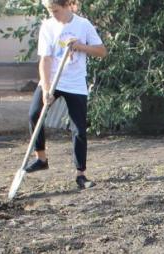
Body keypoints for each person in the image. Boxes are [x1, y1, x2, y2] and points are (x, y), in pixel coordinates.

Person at [24, 0, 106, 190]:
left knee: (78, 128)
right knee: (34, 114)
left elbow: (102, 51)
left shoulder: (83, 25)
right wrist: (45, 89)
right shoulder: (47, 26)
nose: (54, 15)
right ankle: (41, 159)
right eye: (50, 11)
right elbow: (44, 60)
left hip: (75, 83)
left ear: (68, 6)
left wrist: (80, 46)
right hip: (52, 80)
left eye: (56, 11)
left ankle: (81, 175)